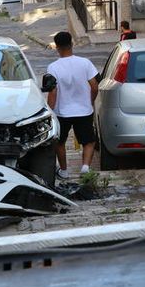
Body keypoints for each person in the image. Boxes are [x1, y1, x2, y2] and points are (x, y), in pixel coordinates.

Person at [47, 31, 99, 179]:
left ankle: (64, 171)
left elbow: (53, 92)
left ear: (57, 47)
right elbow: (94, 86)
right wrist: (91, 101)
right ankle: (85, 167)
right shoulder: (85, 63)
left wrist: (49, 110)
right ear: (72, 44)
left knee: (59, 142)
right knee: (88, 141)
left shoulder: (53, 67)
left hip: (62, 112)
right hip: (84, 110)